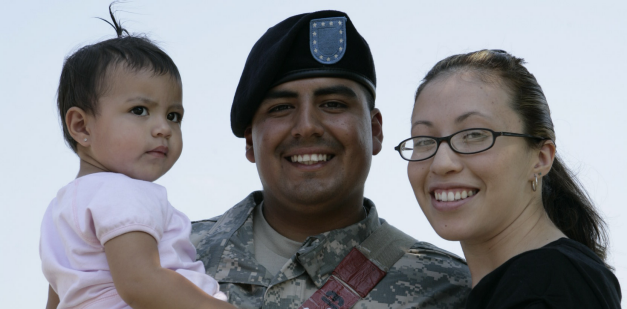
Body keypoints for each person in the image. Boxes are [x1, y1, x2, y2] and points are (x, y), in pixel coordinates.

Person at [191, 10, 472, 309]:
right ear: (250, 141)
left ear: (375, 131)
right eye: (281, 108)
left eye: (333, 104)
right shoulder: (164, 256)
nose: (307, 126)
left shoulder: (451, 289)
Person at [395, 49, 622, 308]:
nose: (442, 163)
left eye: (474, 135)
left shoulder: (551, 287)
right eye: (424, 140)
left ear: (540, 158)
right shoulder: (515, 286)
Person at [40, 8, 234, 309]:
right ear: (81, 126)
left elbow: (59, 296)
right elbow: (140, 282)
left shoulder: (60, 209)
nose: (163, 129)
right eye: (139, 110)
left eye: (173, 116)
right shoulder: (122, 192)